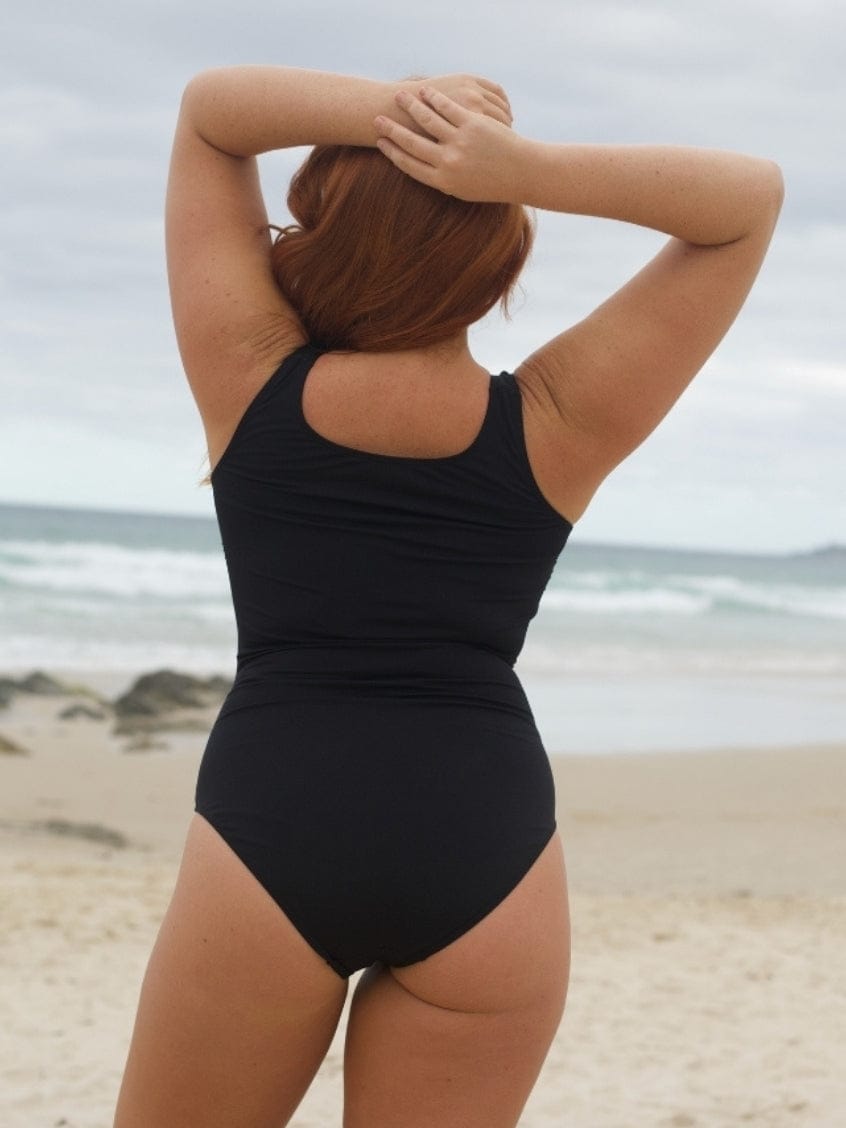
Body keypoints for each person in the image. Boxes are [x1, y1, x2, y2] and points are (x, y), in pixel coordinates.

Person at [113, 67, 782, 1127]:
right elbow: (746, 205)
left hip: (273, 825)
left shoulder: (246, 372)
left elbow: (207, 113)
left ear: (321, 240)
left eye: (300, 222)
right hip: (488, 849)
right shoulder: (558, 422)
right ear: (494, 256)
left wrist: (391, 114)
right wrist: (514, 167)